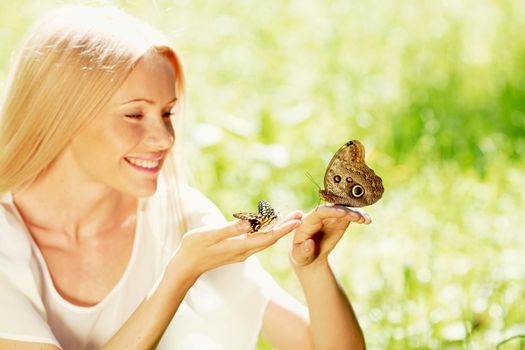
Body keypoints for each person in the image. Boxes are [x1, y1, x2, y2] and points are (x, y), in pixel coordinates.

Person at [0, 5, 369, 350]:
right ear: (60, 115)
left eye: (167, 113)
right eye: (134, 115)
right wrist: (179, 274)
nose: (165, 138)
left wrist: (313, 266)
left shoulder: (177, 216)